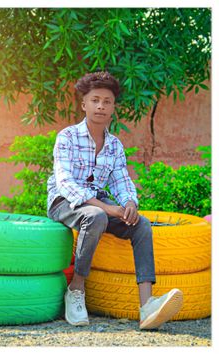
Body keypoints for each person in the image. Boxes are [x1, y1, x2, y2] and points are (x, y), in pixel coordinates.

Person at [47, 71, 183, 330]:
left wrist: (130, 204)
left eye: (107, 101)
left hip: (97, 203)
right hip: (64, 202)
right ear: (84, 104)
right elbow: (65, 183)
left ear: (113, 108)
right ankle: (76, 290)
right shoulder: (66, 137)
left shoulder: (115, 145)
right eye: (95, 100)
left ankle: (147, 306)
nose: (101, 106)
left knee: (140, 224)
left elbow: (122, 181)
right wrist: (109, 208)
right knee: (96, 216)